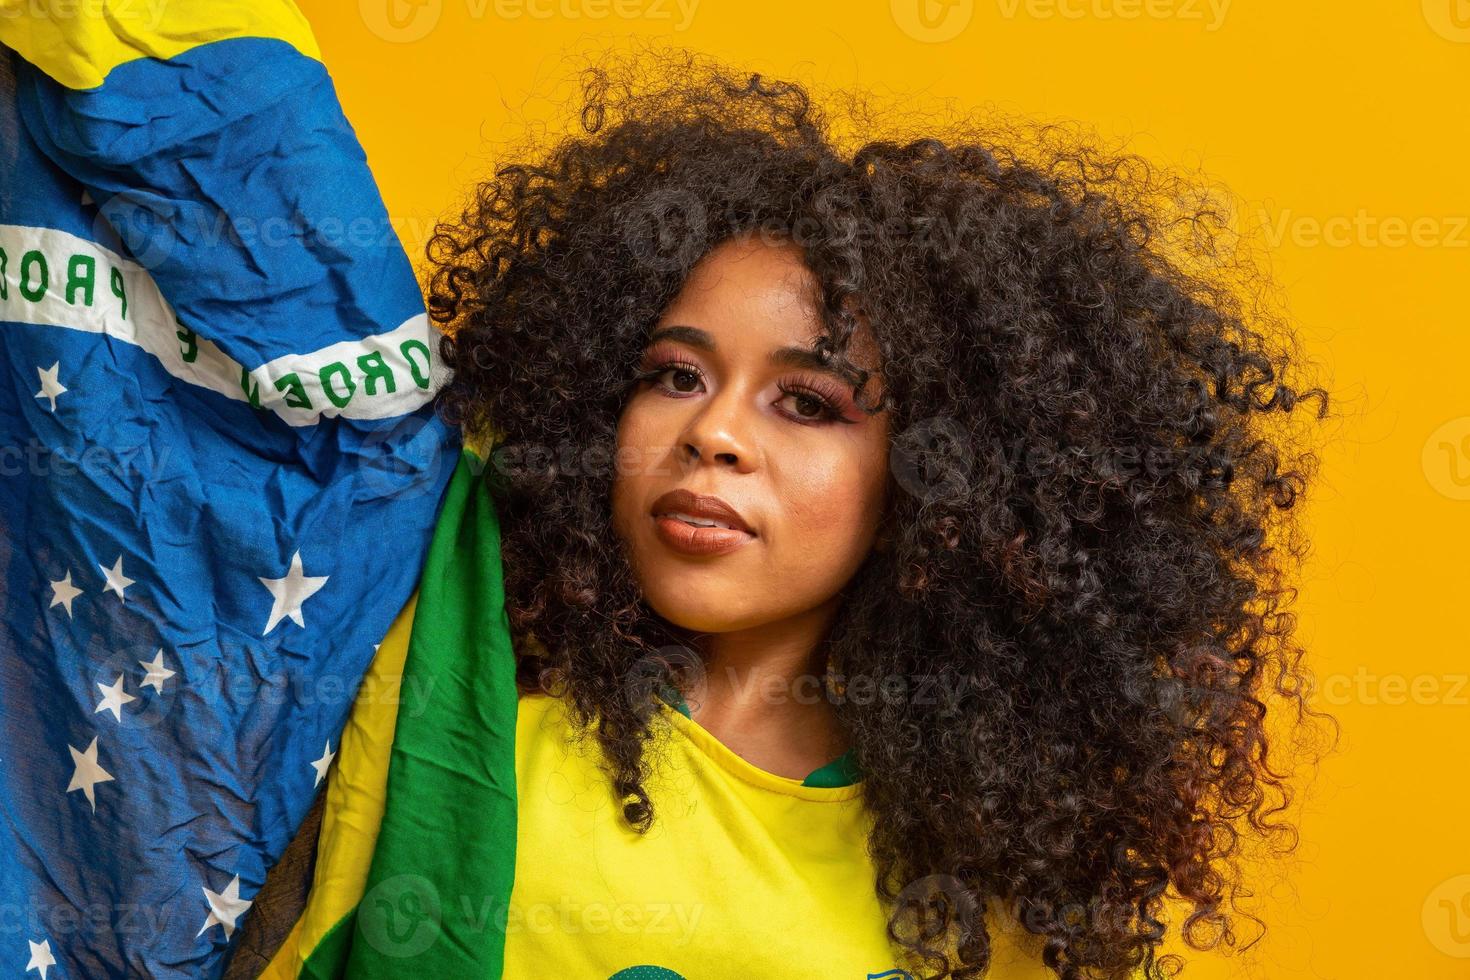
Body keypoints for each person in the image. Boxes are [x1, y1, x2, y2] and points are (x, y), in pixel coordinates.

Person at [246, 50, 1336, 980]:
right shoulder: (456, 687)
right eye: (674, 375)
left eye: (807, 402)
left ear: (939, 479)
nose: (713, 432)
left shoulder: (990, 874)